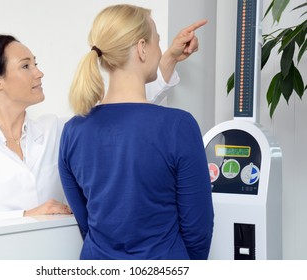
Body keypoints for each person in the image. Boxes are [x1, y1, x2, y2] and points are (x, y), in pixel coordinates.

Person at [0, 16, 204, 228]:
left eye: (36, 62)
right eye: (26, 66)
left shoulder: (57, 131)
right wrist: (25, 216)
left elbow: (120, 112)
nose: (39, 72)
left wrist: (168, 59)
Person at [58, 4, 213, 260]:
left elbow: (86, 222)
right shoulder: (178, 126)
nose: (160, 50)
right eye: (157, 42)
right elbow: (198, 228)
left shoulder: (73, 131)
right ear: (142, 48)